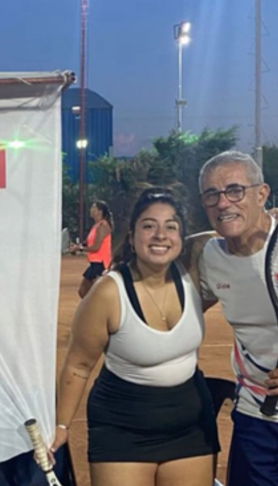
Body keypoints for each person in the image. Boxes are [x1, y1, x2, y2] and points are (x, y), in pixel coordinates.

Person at [53, 188, 219, 486]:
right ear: (131, 237)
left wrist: (269, 221)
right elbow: (78, 366)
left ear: (182, 239)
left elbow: (229, 238)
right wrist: (61, 426)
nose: (160, 235)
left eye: (171, 227)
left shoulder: (193, 273)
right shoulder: (108, 293)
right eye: (148, 226)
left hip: (190, 424)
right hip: (122, 426)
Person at [194, 150, 278, 486]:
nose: (223, 203)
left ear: (262, 194)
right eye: (212, 194)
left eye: (235, 190)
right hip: (257, 416)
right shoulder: (210, 256)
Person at [75, 201, 113, 298]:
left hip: (100, 264)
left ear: (99, 211)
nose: (91, 210)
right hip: (94, 263)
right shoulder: (96, 226)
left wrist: (80, 248)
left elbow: (96, 247)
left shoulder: (102, 226)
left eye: (93, 208)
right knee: (84, 292)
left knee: (94, 293)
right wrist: (79, 246)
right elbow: (89, 242)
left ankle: (101, 311)